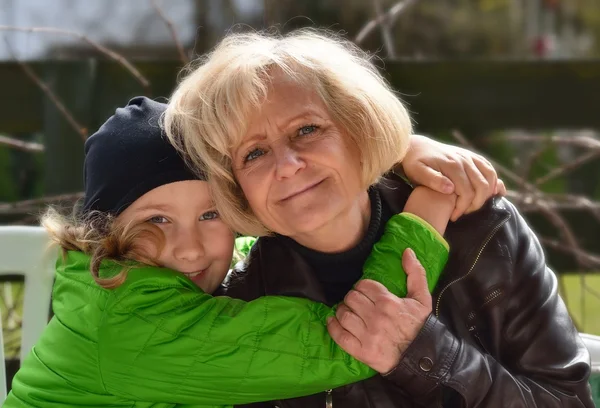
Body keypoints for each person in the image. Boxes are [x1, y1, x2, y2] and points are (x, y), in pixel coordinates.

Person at [164, 29, 595, 407]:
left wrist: (428, 352)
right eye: (254, 153)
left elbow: (567, 402)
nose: (288, 164)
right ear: (235, 186)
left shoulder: (484, 231)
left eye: (306, 129)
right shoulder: (242, 301)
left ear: (358, 128)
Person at [4, 96, 480, 407]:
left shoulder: (116, 277)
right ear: (104, 231)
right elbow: (350, 342)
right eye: (157, 220)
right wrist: (429, 206)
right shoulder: (133, 322)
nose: (190, 250)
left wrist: (400, 150)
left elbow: (273, 229)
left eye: (212, 215)